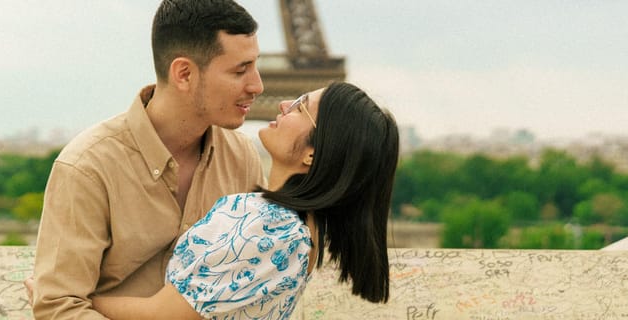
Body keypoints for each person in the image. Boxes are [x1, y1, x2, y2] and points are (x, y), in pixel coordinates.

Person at [29, 0, 266, 318]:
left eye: (254, 66)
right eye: (241, 70)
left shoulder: (243, 158)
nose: (257, 85)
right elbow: (60, 306)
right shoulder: (87, 168)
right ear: (184, 74)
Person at [87, 82, 399, 319]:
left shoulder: (274, 227)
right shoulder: (303, 227)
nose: (285, 104)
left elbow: (164, 314)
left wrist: (78, 299)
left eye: (302, 106)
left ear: (312, 153)